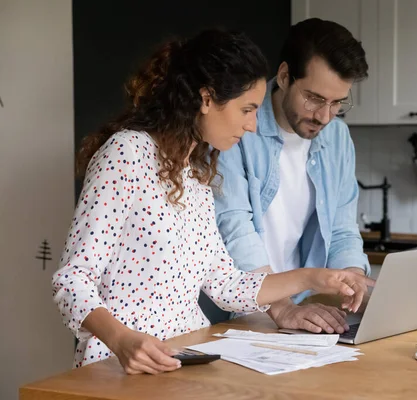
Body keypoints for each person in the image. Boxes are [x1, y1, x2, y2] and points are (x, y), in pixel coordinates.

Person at [52, 29, 374, 375]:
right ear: (207, 99)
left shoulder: (197, 176)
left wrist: (313, 278)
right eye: (247, 109)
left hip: (187, 360)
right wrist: (121, 339)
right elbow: (71, 280)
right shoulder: (127, 153)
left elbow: (225, 284)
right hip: (117, 367)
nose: (252, 125)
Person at [214, 18, 370, 335]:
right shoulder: (236, 130)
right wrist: (282, 307)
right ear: (285, 76)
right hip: (242, 310)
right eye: (314, 98)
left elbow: (342, 226)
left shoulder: (337, 138)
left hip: (300, 311)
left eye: (337, 102)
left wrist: (352, 276)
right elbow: (234, 227)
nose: (324, 116)